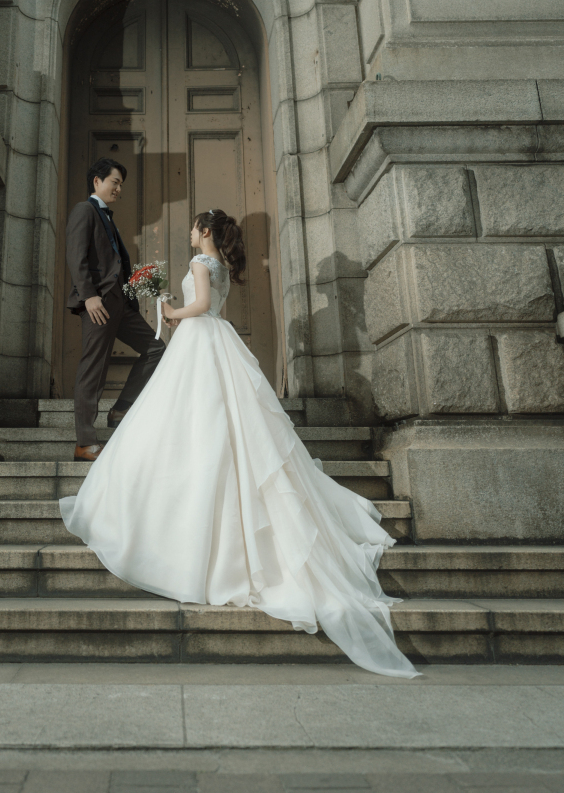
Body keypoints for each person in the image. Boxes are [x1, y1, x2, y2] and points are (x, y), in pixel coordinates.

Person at [61, 208, 419, 678]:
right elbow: (212, 306)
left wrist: (169, 311)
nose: (190, 233)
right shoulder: (221, 265)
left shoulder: (198, 265)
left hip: (199, 340)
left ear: (204, 231)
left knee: (192, 418)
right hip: (214, 343)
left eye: (193, 227)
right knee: (215, 418)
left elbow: (201, 307)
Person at [65, 157, 165, 462]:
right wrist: (89, 296)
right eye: (115, 182)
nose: (119, 189)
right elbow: (76, 256)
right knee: (93, 368)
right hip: (98, 304)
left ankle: (120, 409)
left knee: (156, 349)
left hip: (121, 303)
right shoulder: (85, 210)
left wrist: (139, 283)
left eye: (121, 184)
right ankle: (85, 442)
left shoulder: (107, 217)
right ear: (97, 181)